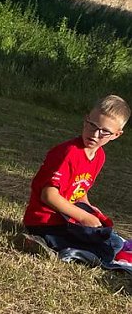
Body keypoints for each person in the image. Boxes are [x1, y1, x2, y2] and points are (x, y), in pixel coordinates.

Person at [23, 95, 130, 263]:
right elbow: (48, 195)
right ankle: (43, 243)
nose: (95, 134)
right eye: (92, 125)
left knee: (114, 241)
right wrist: (82, 216)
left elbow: (79, 190)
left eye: (105, 132)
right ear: (86, 119)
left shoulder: (99, 156)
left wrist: (87, 207)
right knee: (105, 252)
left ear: (116, 135)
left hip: (66, 219)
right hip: (45, 222)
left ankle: (64, 245)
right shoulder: (69, 153)